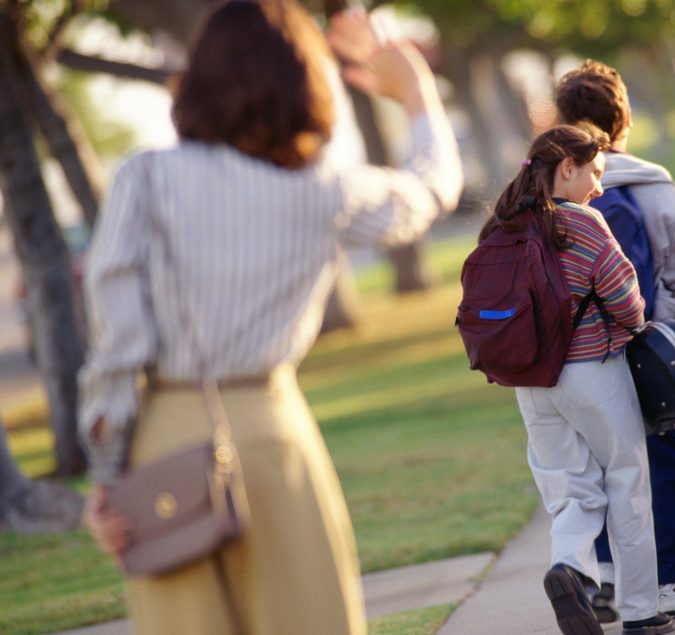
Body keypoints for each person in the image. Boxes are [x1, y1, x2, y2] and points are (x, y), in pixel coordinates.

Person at [79, 3, 462, 634]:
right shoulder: (328, 190)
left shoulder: (144, 179)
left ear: (200, 78)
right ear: (307, 81)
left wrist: (104, 478)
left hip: (165, 438)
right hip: (273, 429)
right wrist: (416, 91)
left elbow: (117, 347)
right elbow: (430, 191)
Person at [554, 60, 675, 620]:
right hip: (646, 352)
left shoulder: (550, 193)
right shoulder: (647, 186)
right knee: (662, 465)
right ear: (623, 117)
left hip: (568, 363)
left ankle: (601, 574)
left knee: (595, 469)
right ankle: (670, 578)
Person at [493, 125, 673, 635]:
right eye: (593, 172)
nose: (598, 186)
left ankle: (568, 567)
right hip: (592, 370)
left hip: (530, 382)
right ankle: (640, 611)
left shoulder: (501, 227)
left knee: (571, 491)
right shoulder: (585, 224)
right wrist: (637, 322)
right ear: (566, 168)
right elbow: (627, 302)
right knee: (627, 483)